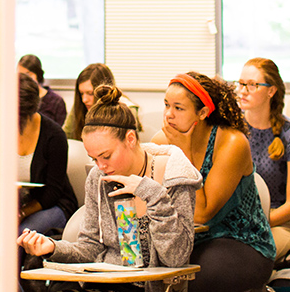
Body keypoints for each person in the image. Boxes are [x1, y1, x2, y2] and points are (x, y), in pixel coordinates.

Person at [17, 84, 202, 292]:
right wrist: (52, 247)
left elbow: (176, 259)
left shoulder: (174, 176)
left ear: (130, 139)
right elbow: (90, 248)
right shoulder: (100, 177)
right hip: (108, 283)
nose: (101, 166)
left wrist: (152, 193)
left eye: (106, 156)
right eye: (94, 159)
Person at [153, 72, 275, 292]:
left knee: (190, 280)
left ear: (203, 112)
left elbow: (201, 214)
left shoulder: (232, 143)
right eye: (166, 105)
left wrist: (183, 154)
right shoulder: (162, 141)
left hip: (240, 242)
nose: (169, 115)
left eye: (178, 108)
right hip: (187, 240)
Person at [236, 58, 290, 262]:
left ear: (271, 91)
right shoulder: (232, 129)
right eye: (241, 84)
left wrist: (257, 222)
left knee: (249, 257)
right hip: (238, 221)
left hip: (279, 223)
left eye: (252, 85)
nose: (243, 91)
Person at [17, 74, 78, 275]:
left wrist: (22, 213)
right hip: (18, 205)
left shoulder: (54, 136)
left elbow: (53, 192)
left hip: (54, 205)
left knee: (19, 234)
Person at [19, 54, 68, 127]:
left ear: (38, 74)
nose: (24, 79)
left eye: (28, 75)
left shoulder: (56, 101)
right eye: (20, 75)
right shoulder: (16, 99)